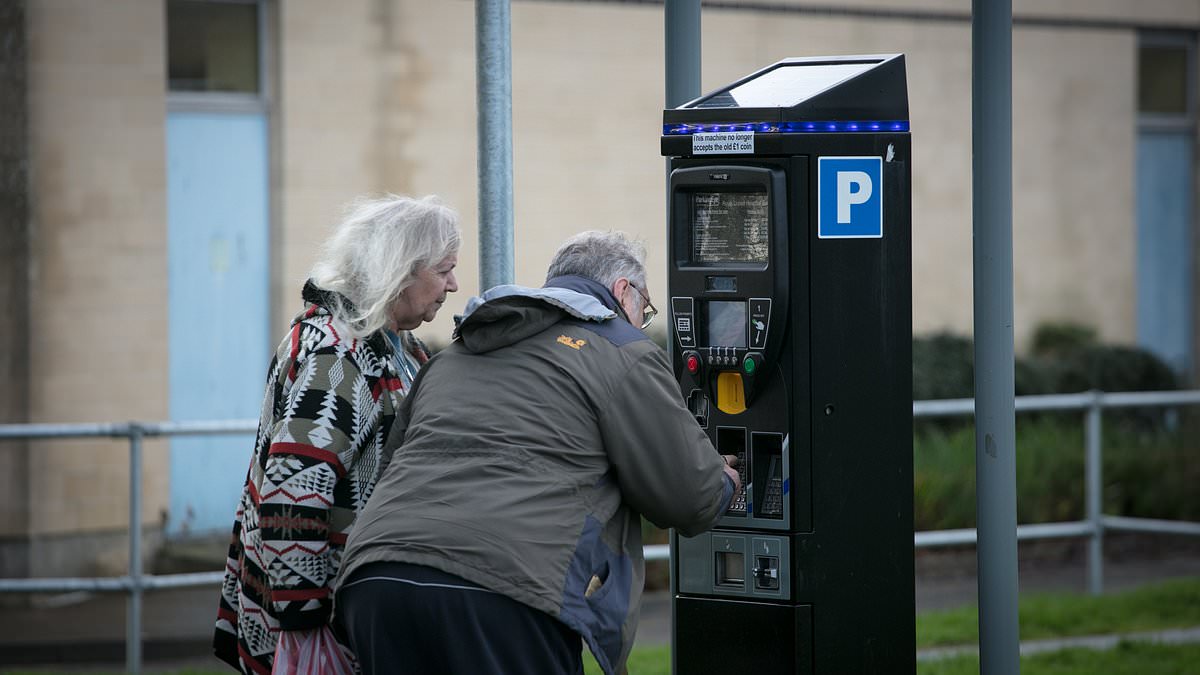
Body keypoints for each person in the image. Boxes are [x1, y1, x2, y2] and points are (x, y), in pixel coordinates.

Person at [333, 230, 740, 675]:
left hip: (374, 579)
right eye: (644, 310)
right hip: (501, 589)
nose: (639, 323)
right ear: (624, 292)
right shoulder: (623, 352)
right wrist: (726, 481)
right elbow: (688, 496)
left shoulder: (455, 355)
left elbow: (393, 466)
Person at [212, 194, 461, 674]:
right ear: (401, 269)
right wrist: (305, 623)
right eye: (444, 269)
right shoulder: (336, 355)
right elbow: (292, 493)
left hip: (356, 603)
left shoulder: (390, 342)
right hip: (325, 616)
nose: (452, 284)